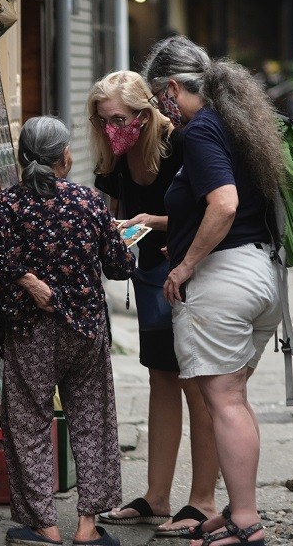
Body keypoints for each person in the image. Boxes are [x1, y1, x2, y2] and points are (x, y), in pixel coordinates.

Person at [141, 35, 287, 546]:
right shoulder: (236, 121)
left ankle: (246, 521)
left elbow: (223, 205)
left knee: (223, 402)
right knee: (235, 401)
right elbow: (227, 205)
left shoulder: (200, 129)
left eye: (158, 96)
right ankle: (239, 510)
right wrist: (171, 230)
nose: (160, 108)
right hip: (261, 276)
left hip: (223, 283)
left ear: (172, 88)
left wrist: (184, 265)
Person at [0, 116, 136, 546]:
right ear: (65, 157)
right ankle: (87, 527)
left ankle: (44, 527)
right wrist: (122, 241)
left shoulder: (10, 205)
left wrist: (26, 280)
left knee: (28, 424)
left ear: (24, 159)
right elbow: (118, 267)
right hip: (83, 330)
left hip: (31, 331)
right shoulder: (89, 203)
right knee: (92, 422)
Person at [88, 71, 220, 537]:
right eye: (103, 121)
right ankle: (156, 497)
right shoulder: (117, 154)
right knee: (161, 378)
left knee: (198, 382)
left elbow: (215, 208)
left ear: (145, 115)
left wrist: (154, 222)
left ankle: (202, 501)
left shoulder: (180, 141)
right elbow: (111, 209)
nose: (111, 129)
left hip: (188, 271)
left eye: (119, 119)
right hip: (148, 276)